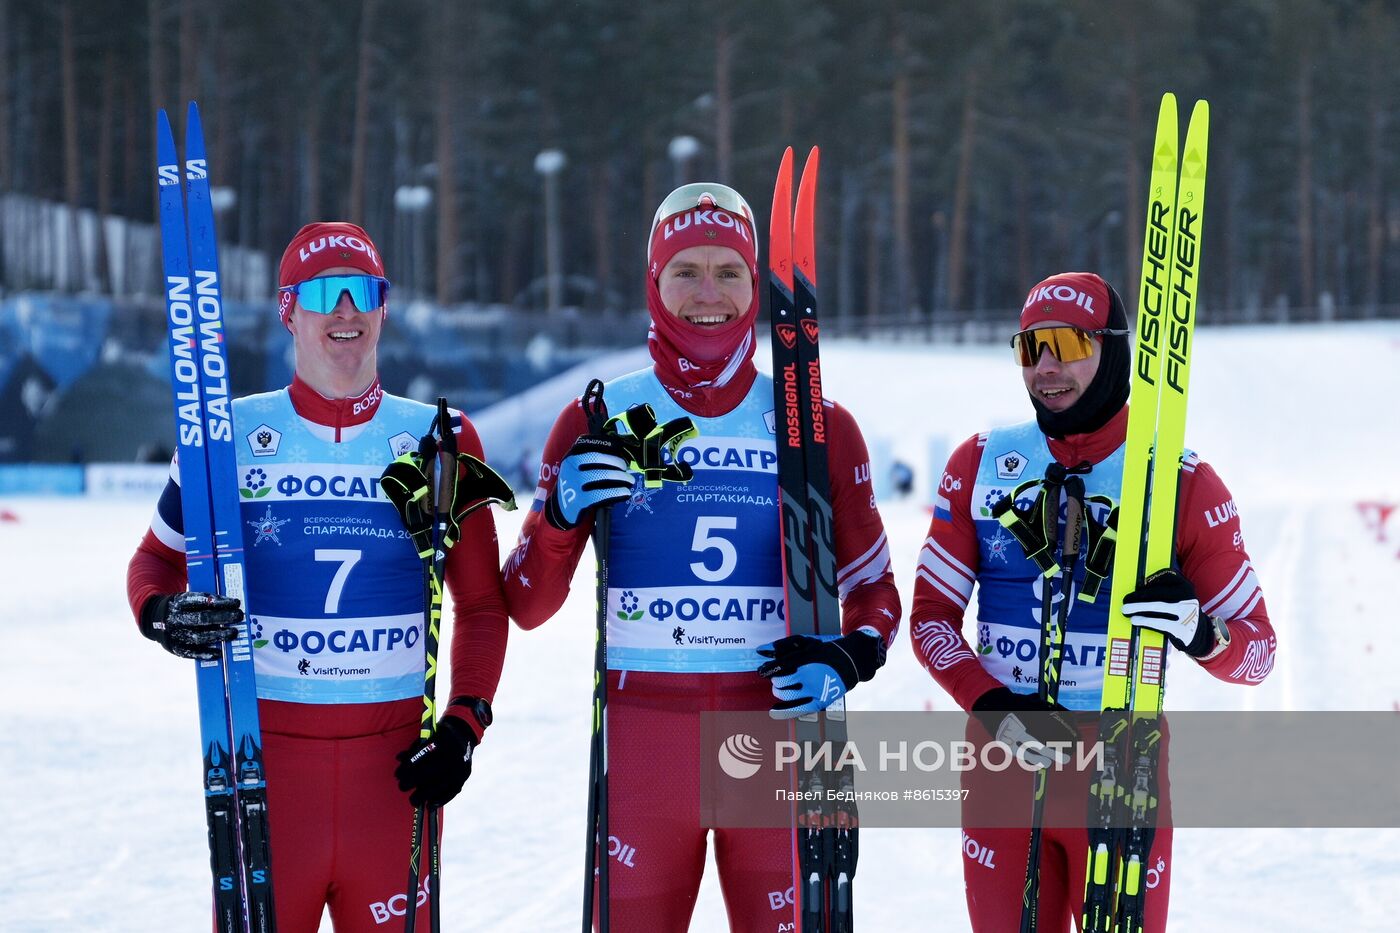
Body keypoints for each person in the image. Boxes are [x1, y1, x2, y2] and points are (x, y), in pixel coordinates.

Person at [502, 183, 902, 932]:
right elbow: (526, 602)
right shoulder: (597, 417)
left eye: (730, 271)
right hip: (644, 745)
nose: (707, 293)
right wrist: (558, 517)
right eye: (685, 271)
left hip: (778, 739)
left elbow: (876, 590)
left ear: (758, 286)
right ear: (654, 283)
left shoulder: (816, 424)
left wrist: (852, 653)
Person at [126, 222, 508, 932]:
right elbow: (153, 562)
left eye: (363, 292)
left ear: (384, 308)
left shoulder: (442, 441)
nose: (346, 312)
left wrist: (462, 725)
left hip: (394, 778)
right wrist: (160, 613)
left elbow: (483, 604)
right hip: (264, 772)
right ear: (288, 310)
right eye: (324, 293)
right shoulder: (227, 435)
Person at [909, 271, 1277, 932]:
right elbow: (932, 618)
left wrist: (1201, 631)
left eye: (1068, 344)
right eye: (1029, 348)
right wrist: (992, 703)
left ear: (1113, 350)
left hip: (1119, 769)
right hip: (1001, 762)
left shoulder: (1181, 482)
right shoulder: (983, 462)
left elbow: (1258, 654)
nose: (1046, 368)